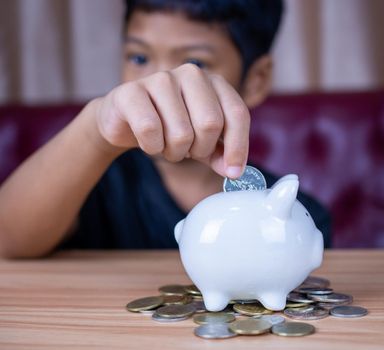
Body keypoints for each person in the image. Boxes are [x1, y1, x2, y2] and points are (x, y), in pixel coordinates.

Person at [0, 0, 330, 258]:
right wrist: (95, 128)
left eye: (196, 63)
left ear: (256, 80)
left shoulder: (295, 214)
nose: (159, 84)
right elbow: (7, 239)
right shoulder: (91, 183)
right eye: (139, 58)